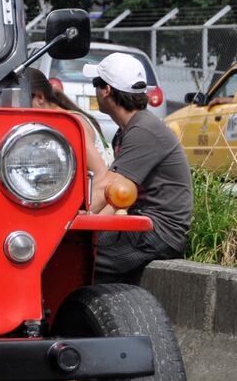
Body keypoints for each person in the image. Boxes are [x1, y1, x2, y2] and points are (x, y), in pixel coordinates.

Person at [85, 52, 192, 283]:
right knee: (81, 244)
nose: (95, 90)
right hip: (142, 224)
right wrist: (87, 227)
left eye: (96, 83)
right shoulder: (126, 132)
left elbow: (106, 187)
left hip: (159, 232)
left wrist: (69, 221)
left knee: (81, 255)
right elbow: (115, 196)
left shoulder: (143, 131)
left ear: (107, 91)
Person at [27, 68, 111, 177]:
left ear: (40, 97)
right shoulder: (52, 123)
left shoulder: (70, 124)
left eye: (19, 100)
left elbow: (100, 174)